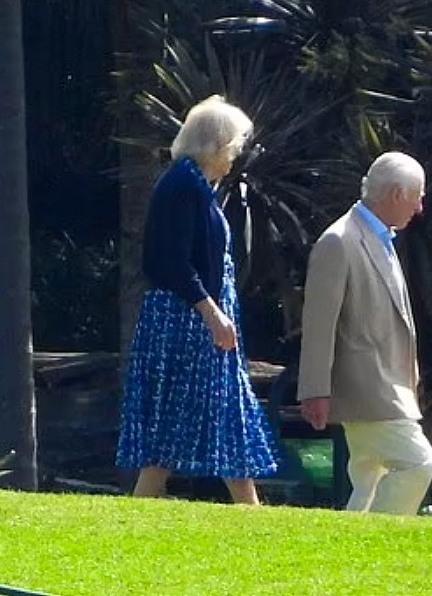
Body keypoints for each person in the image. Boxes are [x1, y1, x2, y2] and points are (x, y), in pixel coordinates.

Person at [116, 95, 279, 505]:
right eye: (233, 148)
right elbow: (169, 260)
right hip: (187, 320)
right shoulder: (183, 185)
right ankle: (244, 508)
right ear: (217, 144)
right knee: (195, 414)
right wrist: (211, 313)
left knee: (220, 411)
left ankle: (245, 507)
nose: (235, 158)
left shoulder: (195, 185)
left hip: (199, 318)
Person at [297, 151, 432, 515]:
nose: (419, 207)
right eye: (416, 196)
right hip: (367, 389)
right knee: (418, 462)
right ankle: (384, 540)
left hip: (387, 387)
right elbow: (318, 322)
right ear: (395, 194)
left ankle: (355, 547)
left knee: (368, 477)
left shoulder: (379, 237)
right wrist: (315, 391)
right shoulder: (339, 241)